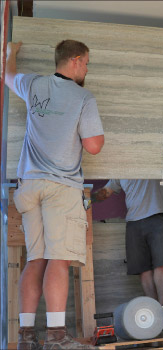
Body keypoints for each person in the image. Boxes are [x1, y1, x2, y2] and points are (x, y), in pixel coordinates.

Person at [6, 40, 104, 350]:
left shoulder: (33, 84)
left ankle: (25, 338)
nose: (87, 68)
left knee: (36, 259)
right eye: (86, 62)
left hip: (29, 185)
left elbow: (7, 76)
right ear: (75, 61)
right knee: (59, 260)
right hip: (60, 188)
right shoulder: (83, 97)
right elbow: (94, 146)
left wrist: (10, 54)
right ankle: (56, 338)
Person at [92, 179, 163, 306]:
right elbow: (105, 192)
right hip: (133, 222)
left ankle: (162, 307)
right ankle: (153, 310)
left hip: (157, 216)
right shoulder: (120, 170)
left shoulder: (149, 160)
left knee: (162, 263)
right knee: (143, 269)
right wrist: (87, 200)